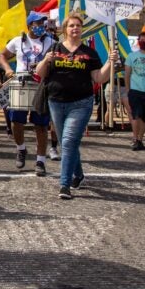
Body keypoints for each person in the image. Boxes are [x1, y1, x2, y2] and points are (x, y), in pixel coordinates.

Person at [36, 13, 118, 199]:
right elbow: (40, 73)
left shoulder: (89, 53)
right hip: (56, 101)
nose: (75, 29)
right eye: (71, 25)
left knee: (68, 141)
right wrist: (45, 60)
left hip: (81, 103)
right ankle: (79, 174)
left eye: (78, 26)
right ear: (65, 29)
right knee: (69, 142)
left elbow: (99, 78)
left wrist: (109, 62)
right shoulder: (55, 48)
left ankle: (64, 185)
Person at [0, 11, 56, 176]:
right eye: (38, 24)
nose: (41, 27)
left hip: (40, 85)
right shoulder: (17, 41)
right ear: (30, 25)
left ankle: (40, 161)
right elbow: (1, 55)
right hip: (21, 84)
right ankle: (21, 149)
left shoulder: (50, 42)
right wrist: (8, 69)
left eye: (43, 24)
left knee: (41, 125)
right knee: (16, 121)